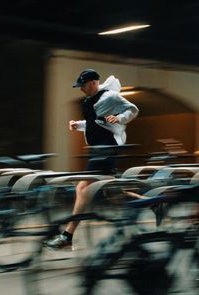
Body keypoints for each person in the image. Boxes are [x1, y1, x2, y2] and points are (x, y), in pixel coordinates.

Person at [46, 69, 139, 249]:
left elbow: (133, 110)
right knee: (111, 191)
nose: (81, 89)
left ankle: (67, 236)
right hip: (97, 149)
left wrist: (119, 118)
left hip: (107, 148)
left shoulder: (110, 97)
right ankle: (151, 204)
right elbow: (94, 123)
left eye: (83, 85)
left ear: (93, 83)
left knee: (83, 187)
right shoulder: (89, 100)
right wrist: (77, 125)